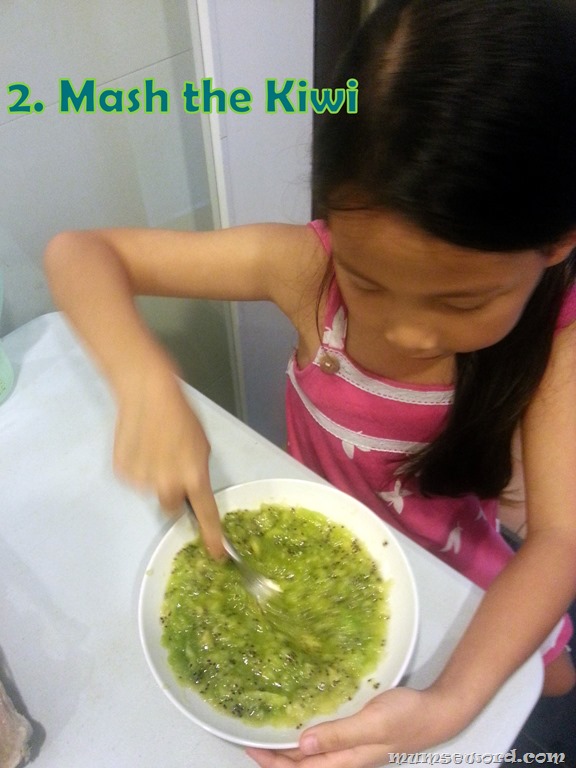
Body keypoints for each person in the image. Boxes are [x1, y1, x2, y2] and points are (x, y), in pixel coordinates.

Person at [44, 0, 576, 763]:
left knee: (540, 684)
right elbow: (78, 253)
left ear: (556, 244)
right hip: (320, 528)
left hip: (454, 564)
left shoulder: (556, 338)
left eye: (461, 303)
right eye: (369, 281)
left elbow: (560, 539)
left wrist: (448, 707)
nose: (406, 331)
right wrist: (143, 377)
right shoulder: (305, 269)